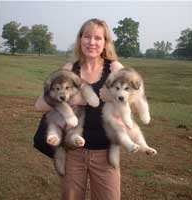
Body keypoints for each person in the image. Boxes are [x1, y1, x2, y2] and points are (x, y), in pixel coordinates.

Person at [35, 18, 125, 200]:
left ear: (105, 42)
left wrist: (114, 98)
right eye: (87, 37)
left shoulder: (114, 68)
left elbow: (135, 105)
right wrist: (76, 98)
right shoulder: (69, 69)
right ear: (80, 39)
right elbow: (39, 104)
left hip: (105, 153)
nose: (92, 42)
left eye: (98, 38)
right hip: (72, 153)